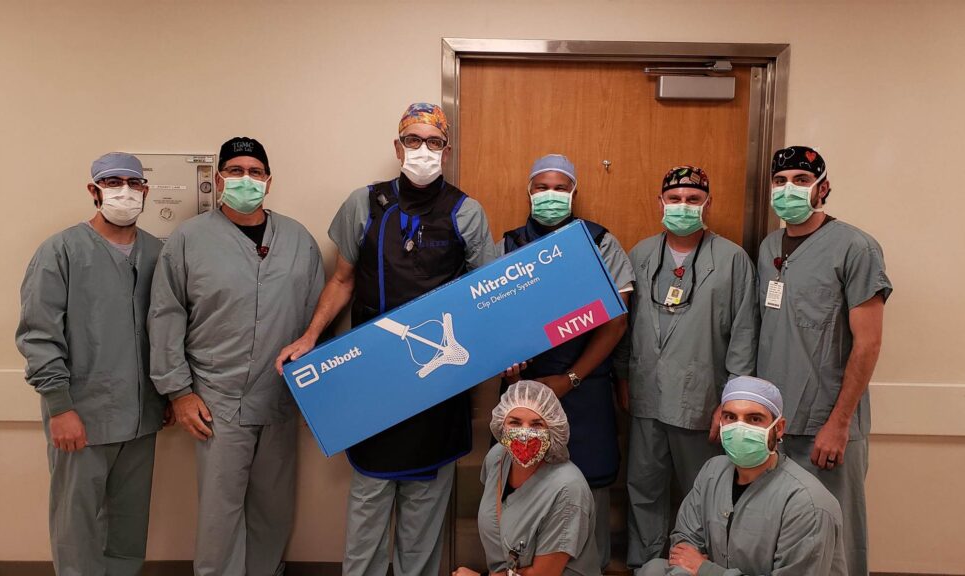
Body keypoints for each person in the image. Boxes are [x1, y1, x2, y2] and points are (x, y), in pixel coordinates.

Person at [275, 103, 495, 576]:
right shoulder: (364, 203)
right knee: (369, 507)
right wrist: (311, 336)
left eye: (433, 142)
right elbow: (342, 280)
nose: (423, 151)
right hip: (375, 377)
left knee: (425, 514)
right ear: (397, 147)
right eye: (412, 141)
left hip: (438, 378)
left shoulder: (466, 212)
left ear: (446, 150)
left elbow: (484, 298)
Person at [148, 137, 325, 576]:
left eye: (256, 172)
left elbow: (315, 320)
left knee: (273, 509)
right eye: (236, 171)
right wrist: (179, 393)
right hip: (215, 402)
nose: (246, 179)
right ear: (218, 179)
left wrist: (319, 389)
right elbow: (165, 317)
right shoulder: (188, 240)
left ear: (269, 181)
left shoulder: (299, 241)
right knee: (219, 514)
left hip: (282, 398)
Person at [16, 152, 171, 576]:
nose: (124, 190)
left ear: (145, 191)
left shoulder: (159, 253)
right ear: (94, 190)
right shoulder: (60, 251)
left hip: (142, 416)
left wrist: (170, 394)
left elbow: (170, 331)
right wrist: (60, 407)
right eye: (113, 181)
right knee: (77, 524)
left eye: (133, 183)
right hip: (80, 416)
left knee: (128, 525)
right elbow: (38, 335)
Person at [615, 166, 758, 570]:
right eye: (674, 199)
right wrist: (624, 376)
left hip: (703, 400)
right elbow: (624, 324)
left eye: (693, 200)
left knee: (705, 491)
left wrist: (731, 403)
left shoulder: (732, 260)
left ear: (708, 204)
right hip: (646, 394)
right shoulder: (640, 255)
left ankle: (695, 566)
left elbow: (744, 335)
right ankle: (646, 565)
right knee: (643, 486)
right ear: (660, 203)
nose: (683, 206)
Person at [758, 146, 892, 576]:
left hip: (826, 426)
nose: (789, 189)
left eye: (801, 180)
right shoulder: (767, 248)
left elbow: (868, 344)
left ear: (823, 188)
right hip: (775, 423)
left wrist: (838, 424)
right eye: (780, 181)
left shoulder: (855, 247)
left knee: (836, 536)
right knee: (784, 535)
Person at [499, 153, 634, 569]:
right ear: (528, 192)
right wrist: (506, 358)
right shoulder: (507, 246)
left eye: (560, 188)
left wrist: (571, 377)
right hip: (523, 395)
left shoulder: (599, 244)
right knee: (520, 491)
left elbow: (616, 322)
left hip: (584, 388)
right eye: (542, 187)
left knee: (585, 502)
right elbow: (486, 320)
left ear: (574, 193)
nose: (550, 195)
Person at [641, 376, 846, 576]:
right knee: (653, 570)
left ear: (779, 428)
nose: (740, 428)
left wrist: (706, 570)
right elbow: (685, 545)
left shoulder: (807, 504)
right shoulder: (712, 473)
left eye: (754, 419)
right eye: (730, 417)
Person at [452, 380, 600, 576]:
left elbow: (544, 574)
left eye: (537, 424)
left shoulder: (568, 489)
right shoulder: (498, 458)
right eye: (514, 422)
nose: (524, 434)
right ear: (501, 424)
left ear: (553, 429)